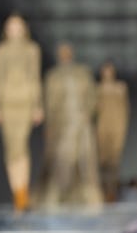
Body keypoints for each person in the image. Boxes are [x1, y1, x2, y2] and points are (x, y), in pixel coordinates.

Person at [34, 42, 103, 210]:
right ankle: (57, 199)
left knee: (87, 162)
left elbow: (93, 96)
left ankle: (91, 200)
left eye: (67, 51)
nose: (65, 54)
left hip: (83, 124)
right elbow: (50, 103)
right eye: (62, 52)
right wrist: (51, 126)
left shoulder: (83, 73)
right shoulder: (53, 76)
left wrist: (88, 113)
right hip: (64, 125)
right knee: (62, 162)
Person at [0, 12, 43, 212]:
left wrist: (38, 106)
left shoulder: (32, 50)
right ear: (6, 29)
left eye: (18, 26)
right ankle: (18, 194)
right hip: (7, 103)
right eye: (10, 26)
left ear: (24, 28)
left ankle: (22, 194)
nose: (14, 29)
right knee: (11, 149)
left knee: (21, 147)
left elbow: (35, 78)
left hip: (26, 102)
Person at [95, 60, 130, 202]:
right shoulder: (97, 88)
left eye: (110, 70)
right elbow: (93, 109)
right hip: (101, 126)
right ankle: (103, 189)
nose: (108, 73)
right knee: (103, 160)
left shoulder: (121, 87)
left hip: (117, 126)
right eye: (105, 70)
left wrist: (123, 127)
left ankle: (112, 191)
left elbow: (126, 109)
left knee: (114, 160)